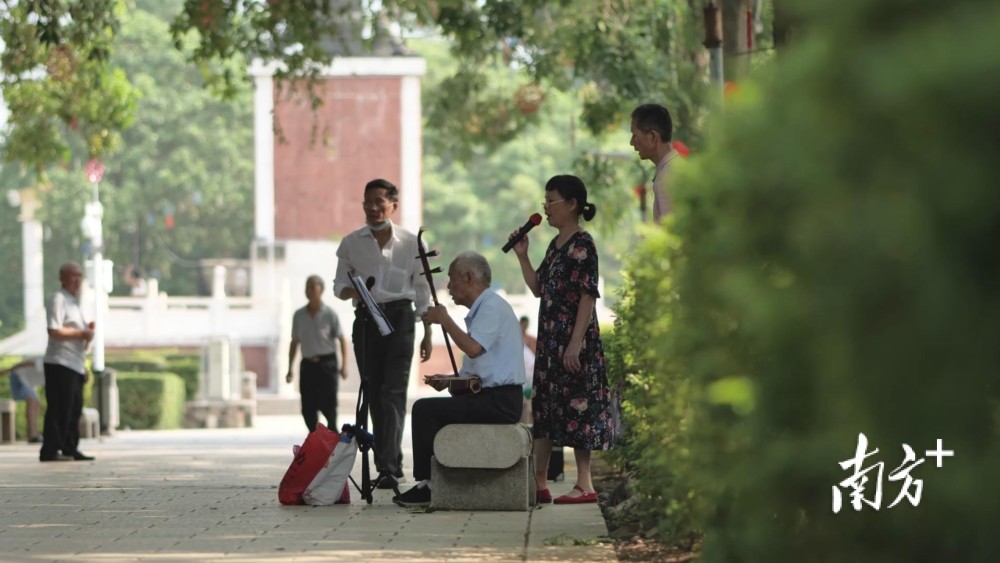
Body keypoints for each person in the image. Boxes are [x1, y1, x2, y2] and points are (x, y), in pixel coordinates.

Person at [511, 174, 614, 504]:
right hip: (550, 342)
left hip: (574, 342)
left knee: (578, 406)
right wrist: (523, 256)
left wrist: (575, 343)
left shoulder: (584, 245)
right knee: (545, 408)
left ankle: (585, 484)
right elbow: (539, 289)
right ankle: (539, 482)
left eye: (551, 201)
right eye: (545, 200)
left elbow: (587, 296)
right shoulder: (555, 246)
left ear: (572, 205)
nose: (546, 208)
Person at [393, 252, 525, 507]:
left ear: (468, 278)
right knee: (431, 407)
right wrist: (452, 381)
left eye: (452, 280)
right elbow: (482, 368)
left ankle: (428, 485)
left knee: (424, 411)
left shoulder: (491, 306)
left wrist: (445, 320)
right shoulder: (485, 308)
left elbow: (474, 348)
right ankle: (436, 479)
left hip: (501, 402)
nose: (448, 287)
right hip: (493, 397)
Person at [333, 178, 433, 489]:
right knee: (374, 392)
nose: (373, 208)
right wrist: (355, 293)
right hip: (366, 321)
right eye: (368, 203)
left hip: (401, 319)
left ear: (394, 205)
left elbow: (422, 291)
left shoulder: (411, 243)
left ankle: (390, 467)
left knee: (393, 393)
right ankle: (384, 464)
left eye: (379, 202)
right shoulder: (351, 243)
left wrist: (428, 332)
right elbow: (339, 286)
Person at [40, 262, 95, 462]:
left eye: (79, 275)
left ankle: (70, 448)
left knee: (74, 408)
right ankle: (50, 450)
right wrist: (81, 333)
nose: (77, 280)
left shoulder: (75, 302)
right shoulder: (58, 299)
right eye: (73, 275)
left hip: (75, 363)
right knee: (59, 408)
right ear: (62, 277)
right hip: (59, 362)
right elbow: (54, 331)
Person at [286, 275, 349, 433]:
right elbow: (294, 342)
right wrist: (290, 369)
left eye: (313, 287)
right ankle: (315, 440)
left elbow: (342, 339)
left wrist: (344, 366)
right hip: (307, 365)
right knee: (308, 408)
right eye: (307, 287)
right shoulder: (299, 315)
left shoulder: (330, 314)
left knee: (329, 406)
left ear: (321, 290)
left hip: (327, 365)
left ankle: (333, 440)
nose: (309, 290)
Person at [630, 103, 678, 223]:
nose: (631, 142)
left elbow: (671, 234)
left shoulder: (666, 178)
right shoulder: (676, 167)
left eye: (635, 135)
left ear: (652, 137)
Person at [2, 357, 44, 442]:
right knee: (32, 401)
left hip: (28, 383)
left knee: (36, 403)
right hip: (18, 376)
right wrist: (8, 370)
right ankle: (33, 435)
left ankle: (35, 433)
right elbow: (28, 362)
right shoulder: (46, 364)